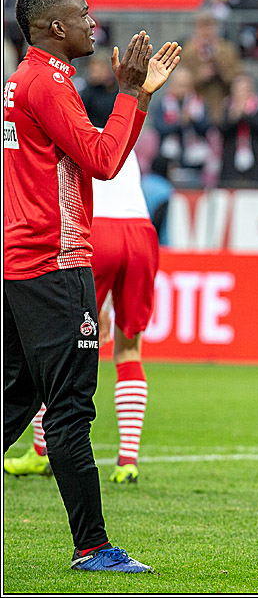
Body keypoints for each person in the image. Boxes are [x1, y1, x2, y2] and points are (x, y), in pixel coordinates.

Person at [4, 0, 177, 573]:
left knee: (17, 399)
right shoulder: (49, 85)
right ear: (55, 27)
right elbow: (103, 162)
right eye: (82, 13)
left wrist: (138, 97)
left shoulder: (24, 82)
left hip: (23, 263)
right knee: (71, 409)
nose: (92, 21)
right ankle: (93, 547)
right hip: (55, 264)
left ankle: (94, 544)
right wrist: (132, 92)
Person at [5, 144, 168, 486]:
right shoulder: (118, 135)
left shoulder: (64, 134)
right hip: (141, 233)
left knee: (48, 349)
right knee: (129, 349)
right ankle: (127, 462)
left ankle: (40, 452)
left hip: (99, 231)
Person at [179, 11, 242, 125]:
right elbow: (179, 82)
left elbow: (236, 78)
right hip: (196, 107)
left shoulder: (226, 50)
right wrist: (199, 76)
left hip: (221, 103)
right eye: (202, 27)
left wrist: (219, 66)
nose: (206, 32)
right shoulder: (188, 52)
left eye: (209, 26)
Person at [218, 73, 258, 186]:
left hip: (256, 161)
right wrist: (234, 117)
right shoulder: (227, 107)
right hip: (232, 160)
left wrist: (246, 115)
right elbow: (222, 129)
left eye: (245, 90)